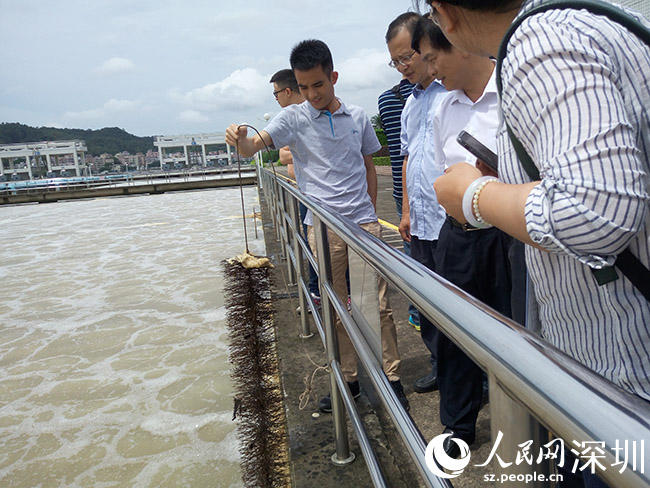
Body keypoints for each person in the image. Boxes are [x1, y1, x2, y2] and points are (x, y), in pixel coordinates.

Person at [427, 0, 649, 484]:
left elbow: (596, 212)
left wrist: (473, 195)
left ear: (442, 13)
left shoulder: (537, 42)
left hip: (621, 377)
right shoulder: (601, 17)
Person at [225, 39, 409, 412]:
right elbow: (253, 147)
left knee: (379, 305)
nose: (311, 94)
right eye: (304, 87)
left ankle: (392, 378)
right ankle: (350, 380)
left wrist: (370, 211)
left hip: (363, 225)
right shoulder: (293, 118)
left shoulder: (357, 117)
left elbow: (368, 165)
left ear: (333, 77)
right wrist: (240, 139)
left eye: (318, 85)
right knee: (335, 305)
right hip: (322, 227)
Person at [413, 16, 513, 458]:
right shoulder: (442, 107)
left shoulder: (512, 91)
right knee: (455, 333)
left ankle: (524, 426)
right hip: (459, 235)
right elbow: (441, 170)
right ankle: (458, 426)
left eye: (434, 58)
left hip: (512, 237)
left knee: (515, 331)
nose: (431, 70)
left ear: (459, 42)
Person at [386, 12, 447, 394]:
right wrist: (406, 211)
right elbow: (407, 158)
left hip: (450, 223)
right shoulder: (411, 103)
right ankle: (441, 365)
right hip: (420, 222)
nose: (402, 66)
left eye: (406, 56)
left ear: (427, 46)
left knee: (460, 302)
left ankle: (471, 376)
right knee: (425, 302)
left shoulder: (451, 93)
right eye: (394, 61)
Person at [269, 69, 321, 309]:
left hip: (319, 196)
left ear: (287, 91)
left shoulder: (311, 114)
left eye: (276, 93)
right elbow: (282, 156)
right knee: (312, 246)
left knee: (322, 246)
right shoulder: (288, 120)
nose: (276, 98)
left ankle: (323, 292)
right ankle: (316, 291)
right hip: (304, 192)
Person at [377, 73, 418, 330]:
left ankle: (417, 311)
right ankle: (420, 313)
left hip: (400, 189)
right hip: (431, 191)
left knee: (413, 254)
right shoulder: (445, 90)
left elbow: (398, 154)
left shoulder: (387, 100)